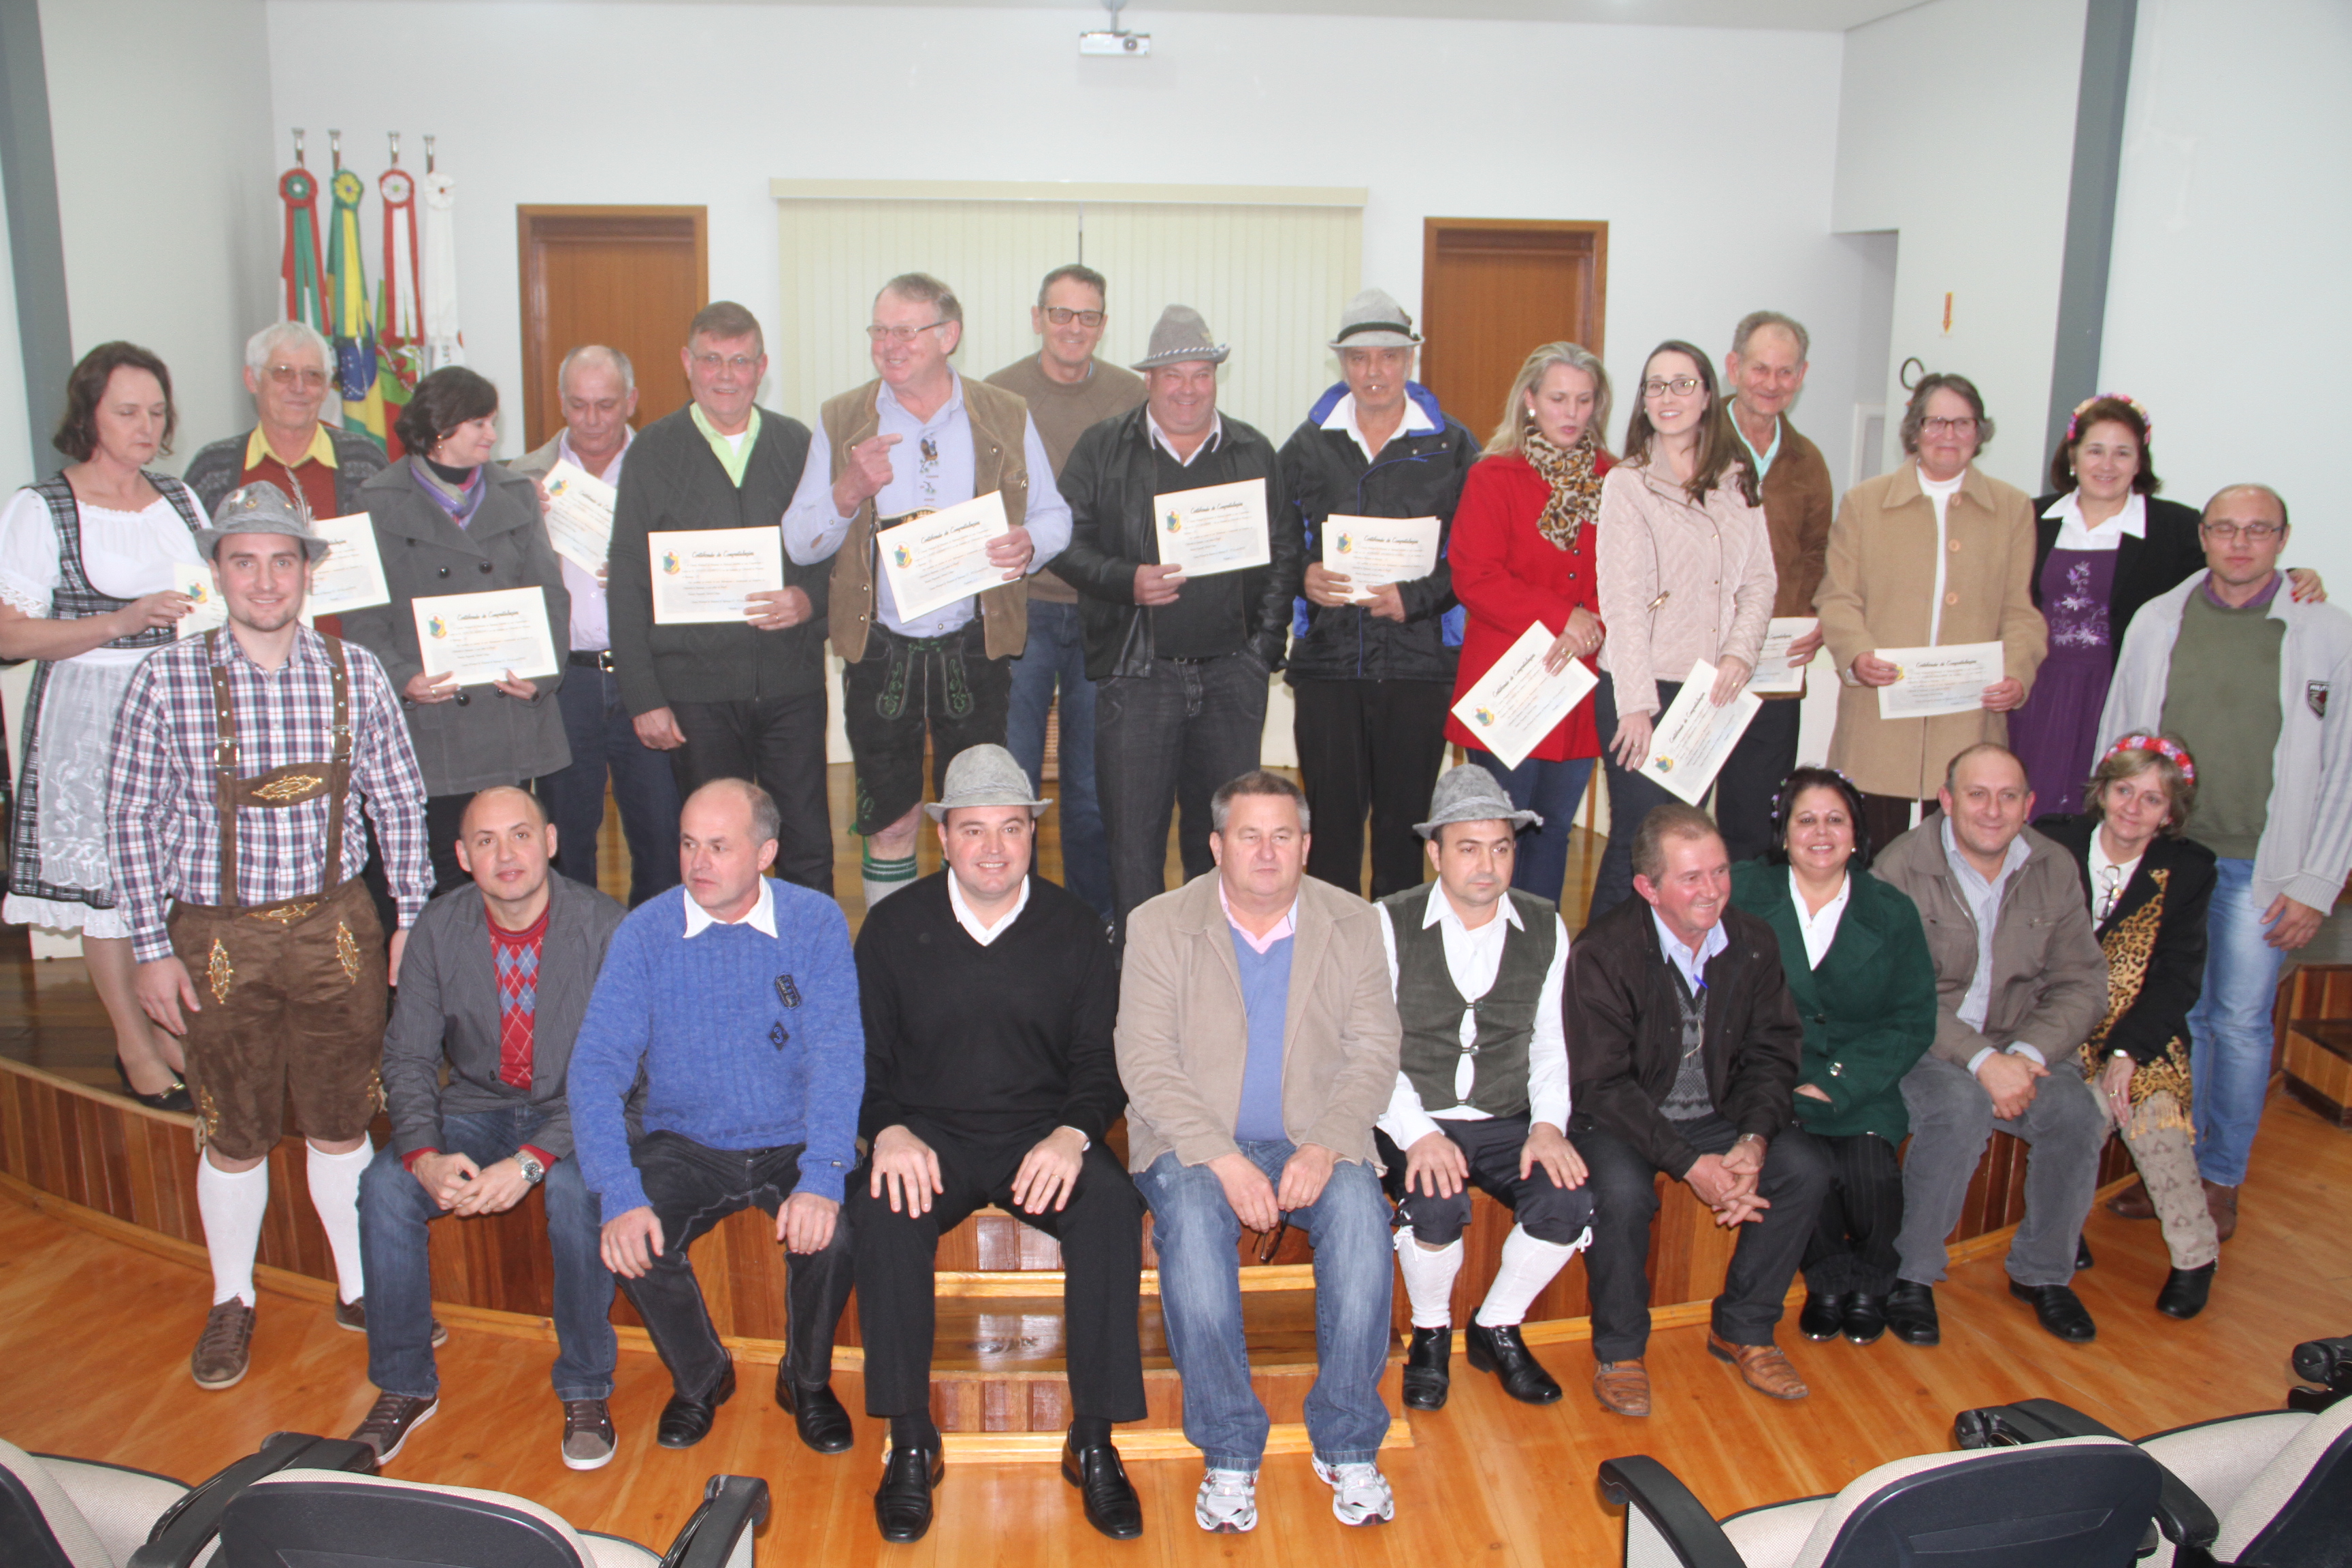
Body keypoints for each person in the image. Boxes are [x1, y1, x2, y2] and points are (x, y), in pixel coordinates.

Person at [104, 482, 431, 1392]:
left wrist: (410, 917)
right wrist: (148, 947)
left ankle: (362, 1288)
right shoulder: (164, 678)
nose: (263, 580)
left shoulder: (355, 672)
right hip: (217, 938)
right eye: (244, 561)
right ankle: (232, 1298)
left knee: (342, 1119)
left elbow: (400, 802)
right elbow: (129, 821)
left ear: (307, 573)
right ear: (217, 572)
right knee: (234, 1130)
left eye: (282, 561)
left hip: (336, 927)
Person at [847, 746, 1141, 1544]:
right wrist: (888, 1129)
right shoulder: (892, 927)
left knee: (1112, 1207)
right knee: (880, 1211)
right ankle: (911, 1438)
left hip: (1038, 1136)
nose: (992, 848)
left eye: (1011, 828)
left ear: (1032, 834)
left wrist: (1074, 1135)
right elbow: (860, 1060)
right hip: (928, 1137)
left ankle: (1094, 1439)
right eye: (973, 830)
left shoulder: (1077, 928)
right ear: (943, 837)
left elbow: (1100, 1064)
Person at [1117, 771, 1400, 1533]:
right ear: (1217, 846)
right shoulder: (1158, 924)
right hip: (1190, 1138)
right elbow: (1145, 1061)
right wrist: (1222, 1157)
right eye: (1250, 836)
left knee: (1363, 1221)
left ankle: (1348, 1439)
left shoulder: (1354, 922)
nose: (1267, 852)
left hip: (1316, 1134)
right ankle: (1230, 1449)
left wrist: (1327, 1144)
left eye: (1283, 836)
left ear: (1307, 845)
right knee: (1193, 1231)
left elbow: (1375, 1052)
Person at [566, 779, 860, 1454]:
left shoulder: (814, 921)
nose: (698, 863)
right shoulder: (646, 931)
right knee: (629, 1236)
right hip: (687, 1142)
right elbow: (596, 1067)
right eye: (688, 844)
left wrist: (823, 1173)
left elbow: (837, 1054)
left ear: (766, 854)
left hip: (792, 1138)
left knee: (839, 1233)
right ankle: (702, 1374)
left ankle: (806, 1380)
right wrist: (618, 1191)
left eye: (719, 847)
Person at [2097, 483, 2352, 1242]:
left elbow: (2344, 767)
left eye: (2258, 530)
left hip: (2258, 865)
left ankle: (2220, 1178)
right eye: (2226, 529)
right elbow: (2119, 736)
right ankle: (2169, 1166)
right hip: (2167, 859)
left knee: (2236, 1024)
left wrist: (2317, 882)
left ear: (2283, 539)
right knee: (2170, 1021)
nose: (2240, 544)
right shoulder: (2159, 621)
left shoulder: (2324, 631)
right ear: (2203, 536)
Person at [349, 787, 626, 1467]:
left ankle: (586, 1386)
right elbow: (409, 1057)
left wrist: (531, 1161)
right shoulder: (437, 928)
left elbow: (621, 1075)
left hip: (579, 1110)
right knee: (384, 1186)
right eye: (486, 841)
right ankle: (405, 1383)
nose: (506, 854)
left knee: (577, 1194)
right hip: (478, 1104)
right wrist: (422, 1153)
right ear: (462, 856)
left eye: (521, 835)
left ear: (551, 842)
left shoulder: (607, 928)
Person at [785, 273, 1070, 911]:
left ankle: (972, 947)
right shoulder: (841, 418)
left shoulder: (1004, 413)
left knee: (978, 819)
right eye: (879, 330)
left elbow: (1056, 517)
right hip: (880, 652)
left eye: (906, 331)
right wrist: (847, 490)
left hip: (977, 649)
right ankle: (896, 952)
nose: (889, 345)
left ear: (949, 336)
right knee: (890, 823)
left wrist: (1028, 544)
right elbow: (800, 542)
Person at [1567, 802, 1827, 1415]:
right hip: (1627, 1117)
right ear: (1647, 888)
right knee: (1622, 1194)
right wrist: (1689, 1163)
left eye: (1720, 871)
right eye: (1691, 878)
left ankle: (1745, 1327)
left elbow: (1774, 1052)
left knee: (1804, 1169)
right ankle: (1621, 1350)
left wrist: (1754, 1140)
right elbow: (1603, 1084)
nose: (1712, 891)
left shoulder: (1753, 941)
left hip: (1721, 1110)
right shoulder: (1602, 951)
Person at [1, 342, 206, 1109]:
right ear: (89, 415)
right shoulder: (44, 507)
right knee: (109, 890)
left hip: (176, 710)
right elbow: (10, 635)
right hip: (93, 712)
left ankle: (171, 1027)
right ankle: (133, 1042)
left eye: (156, 411)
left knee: (170, 881)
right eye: (127, 411)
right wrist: (121, 621)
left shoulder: (180, 500)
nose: (146, 425)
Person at [1053, 308, 1300, 941]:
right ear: (1149, 380)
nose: (1188, 389)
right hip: (1138, 677)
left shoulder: (1252, 450)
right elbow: (1064, 542)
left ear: (1217, 378)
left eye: (1201, 375)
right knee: (1132, 842)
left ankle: (1213, 959)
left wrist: (1262, 652)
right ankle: (1141, 970)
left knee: (1220, 840)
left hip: (1231, 678)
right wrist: (1126, 579)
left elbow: (1283, 553)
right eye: (1173, 376)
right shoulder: (1103, 448)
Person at [1871, 744, 2110, 1345]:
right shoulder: (1901, 866)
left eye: (2008, 797)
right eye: (1977, 794)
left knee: (2079, 1112)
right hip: (1927, 1041)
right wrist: (1981, 1061)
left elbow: (2084, 983)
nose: (1993, 810)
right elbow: (1893, 990)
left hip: (2022, 1040)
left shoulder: (2053, 866)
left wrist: (2024, 1058)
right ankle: (1911, 1275)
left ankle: (2043, 1272)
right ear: (1947, 800)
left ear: (2029, 804)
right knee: (1959, 1107)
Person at [1376, 766, 1589, 1411]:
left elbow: (1552, 1044)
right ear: (1435, 852)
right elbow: (1372, 1050)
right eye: (1468, 848)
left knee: (1567, 1200)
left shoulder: (1546, 925)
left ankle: (1497, 1325)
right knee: (1435, 1202)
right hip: (1412, 1112)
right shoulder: (1389, 921)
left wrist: (1547, 1126)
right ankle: (1431, 1332)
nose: (1487, 866)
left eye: (1501, 848)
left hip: (1506, 1115)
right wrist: (1420, 1135)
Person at [606, 301, 832, 894]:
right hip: (695, 697)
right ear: (687, 363)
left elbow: (835, 549)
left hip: (790, 686)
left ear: (762, 368)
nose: (725, 376)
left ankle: (812, 952)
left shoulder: (797, 443)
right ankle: (722, 953)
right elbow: (628, 575)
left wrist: (810, 602)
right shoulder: (652, 451)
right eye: (711, 360)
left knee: (807, 845)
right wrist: (643, 695)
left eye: (740, 361)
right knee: (714, 852)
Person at [2012, 396, 2323, 815]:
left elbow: (2233, 569)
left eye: (2123, 453)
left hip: (2118, 694)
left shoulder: (2174, 527)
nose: (2107, 465)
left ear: (2140, 461)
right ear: (2073, 455)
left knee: (2104, 813)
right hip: (2035, 695)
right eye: (2095, 450)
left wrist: (2296, 576)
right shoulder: (2029, 518)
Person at [339, 366, 571, 898]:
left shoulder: (516, 492)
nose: (492, 435)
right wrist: (402, 678)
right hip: (431, 718)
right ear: (441, 427)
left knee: (511, 865)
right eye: (479, 423)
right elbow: (364, 614)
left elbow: (550, 595)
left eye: (492, 422)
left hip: (507, 712)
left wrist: (541, 675)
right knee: (442, 870)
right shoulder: (376, 499)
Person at [1728, 766, 1935, 1348]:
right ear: (1784, 832)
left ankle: (1871, 1284)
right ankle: (1825, 1283)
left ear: (1856, 832)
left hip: (1860, 1079)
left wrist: (1839, 1082)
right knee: (1804, 1165)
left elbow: (1912, 1018)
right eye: (1807, 820)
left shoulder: (1891, 910)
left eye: (1836, 820)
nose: (1821, 833)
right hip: (1770, 1076)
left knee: (1870, 1171)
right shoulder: (1743, 892)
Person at [1284, 289, 1480, 898]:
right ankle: (1334, 950)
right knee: (1331, 834)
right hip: (1329, 666)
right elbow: (1276, 539)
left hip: (1419, 664)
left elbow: (1473, 557)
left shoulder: (1454, 447)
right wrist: (1303, 574)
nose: (1374, 371)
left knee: (1404, 832)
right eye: (1360, 358)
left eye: (1389, 357)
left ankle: (1398, 949)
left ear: (1410, 360)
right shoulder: (1307, 444)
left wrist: (1414, 599)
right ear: (1342, 363)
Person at [1815, 374, 2046, 850]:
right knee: (1873, 853)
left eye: (1963, 424)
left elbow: (2020, 611)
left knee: (1959, 856)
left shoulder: (2013, 508)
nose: (1949, 434)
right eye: (1936, 422)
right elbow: (1838, 598)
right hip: (1879, 714)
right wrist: (1857, 655)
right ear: (1915, 430)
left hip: (1969, 716)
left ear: (1979, 433)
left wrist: (2017, 674)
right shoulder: (1864, 502)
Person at [985, 263, 1149, 922]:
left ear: (1103, 325)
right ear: (1037, 318)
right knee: (1013, 782)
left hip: (1101, 614)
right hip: (1020, 610)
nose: (1073, 327)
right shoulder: (997, 395)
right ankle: (1013, 921)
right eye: (1060, 314)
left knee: (1090, 788)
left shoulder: (1133, 395)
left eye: (1087, 316)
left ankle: (1092, 927)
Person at [2035, 734, 2221, 1318]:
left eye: (2152, 799)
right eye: (2124, 791)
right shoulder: (2054, 842)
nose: (2133, 809)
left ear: (2170, 814)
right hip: (2055, 1023)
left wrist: (2126, 1053)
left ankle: (2195, 1257)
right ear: (2103, 791)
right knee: (2075, 1113)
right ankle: (2062, 1232)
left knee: (2152, 1112)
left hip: (2139, 1029)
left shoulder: (2187, 870)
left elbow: (2178, 977)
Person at [1590, 341, 1778, 917]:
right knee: (1640, 842)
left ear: (1707, 395)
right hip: (1642, 691)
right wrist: (1636, 704)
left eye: (1682, 383)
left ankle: (1666, 964)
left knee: (1684, 848)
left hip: (1709, 693)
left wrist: (1740, 655)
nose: (1667, 397)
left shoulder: (1737, 479)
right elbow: (1621, 601)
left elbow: (1760, 581)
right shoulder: (1628, 483)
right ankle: (1596, 966)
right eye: (1655, 385)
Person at [510, 345, 682, 906]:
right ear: (562, 403)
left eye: (606, 405)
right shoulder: (520, 479)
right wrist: (521, 529)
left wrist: (647, 571)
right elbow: (498, 580)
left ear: (632, 402)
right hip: (566, 681)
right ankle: (574, 950)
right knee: (563, 838)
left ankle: (648, 950)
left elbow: (694, 568)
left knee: (661, 835)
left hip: (647, 677)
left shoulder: (667, 467)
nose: (591, 419)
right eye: (579, 405)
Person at [1445, 343, 1614, 903]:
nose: (1572, 412)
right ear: (1530, 400)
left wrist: (1592, 621)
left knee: (1554, 830)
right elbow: (1475, 577)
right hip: (1510, 681)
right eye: (1559, 398)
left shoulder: (1616, 479)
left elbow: (1628, 574)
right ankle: (1487, 942)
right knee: (1500, 833)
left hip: (1577, 682)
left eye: (1584, 400)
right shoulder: (1494, 475)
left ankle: (1539, 944)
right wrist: (1564, 616)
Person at [1716, 313, 1835, 862]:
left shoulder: (1808, 462)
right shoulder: (1691, 441)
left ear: (1802, 376)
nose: (1771, 383)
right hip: (1692, 665)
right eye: (1760, 368)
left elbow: (1816, 552)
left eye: (1785, 372)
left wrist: (1814, 614)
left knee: (1755, 828)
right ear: (1734, 367)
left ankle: (1742, 918)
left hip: (1771, 674)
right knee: (1671, 817)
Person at [182, 320, 388, 521]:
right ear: (252, 379)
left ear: (326, 387)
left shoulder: (365, 460)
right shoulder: (212, 469)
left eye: (313, 375)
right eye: (283, 372)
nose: (298, 387)